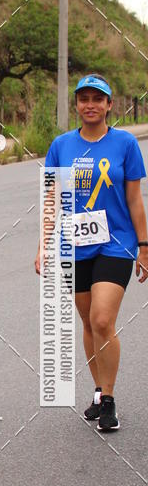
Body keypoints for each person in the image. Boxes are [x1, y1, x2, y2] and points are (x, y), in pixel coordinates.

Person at [36, 74, 148, 431]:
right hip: (75, 244)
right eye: (83, 98)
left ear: (109, 105)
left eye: (97, 99)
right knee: (87, 322)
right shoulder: (61, 146)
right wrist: (45, 243)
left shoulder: (125, 143)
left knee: (102, 319)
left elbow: (134, 198)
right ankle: (99, 392)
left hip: (116, 242)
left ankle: (110, 399)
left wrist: (144, 246)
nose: (90, 104)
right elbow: (52, 198)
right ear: (77, 104)